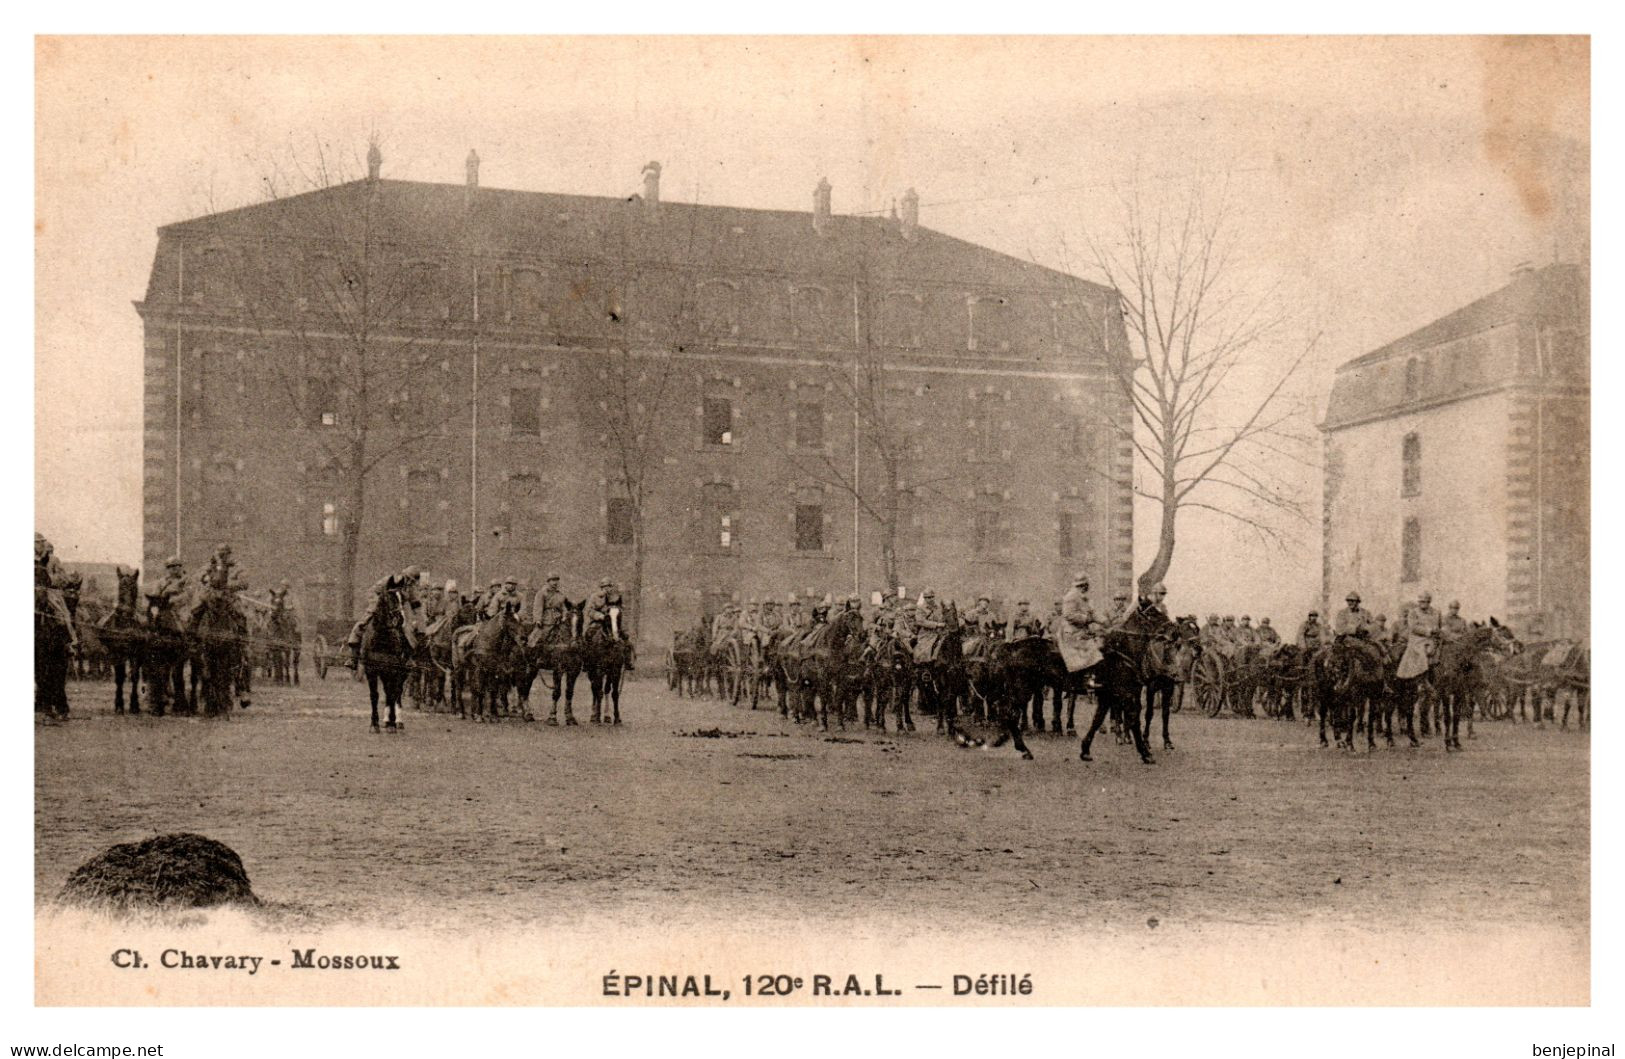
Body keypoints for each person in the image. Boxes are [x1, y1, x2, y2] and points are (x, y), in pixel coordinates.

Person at [346, 565, 422, 666]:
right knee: (362, 623)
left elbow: (415, 603)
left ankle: (409, 656)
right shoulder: (389, 580)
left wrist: (419, 618)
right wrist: (377, 604)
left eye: (412, 581)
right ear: (404, 575)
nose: (410, 582)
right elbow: (372, 592)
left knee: (408, 629)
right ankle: (353, 657)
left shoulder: (410, 588)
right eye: (409, 579)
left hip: (397, 609)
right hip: (379, 603)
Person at [34, 533, 79, 650]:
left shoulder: (48, 559)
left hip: (46, 590)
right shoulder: (49, 559)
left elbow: (62, 577)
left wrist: (50, 578)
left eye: (41, 543)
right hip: (41, 589)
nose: (41, 545)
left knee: (62, 612)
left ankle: (70, 641)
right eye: (38, 542)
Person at [1057, 572, 1103, 672]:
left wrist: (1104, 621)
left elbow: (1093, 614)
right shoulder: (1071, 596)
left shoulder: (1083, 598)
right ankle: (1087, 677)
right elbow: (1068, 614)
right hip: (1071, 632)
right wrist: (1086, 618)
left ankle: (1090, 675)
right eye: (1083, 585)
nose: (1085, 588)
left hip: (1081, 631)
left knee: (1101, 645)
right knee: (1093, 652)